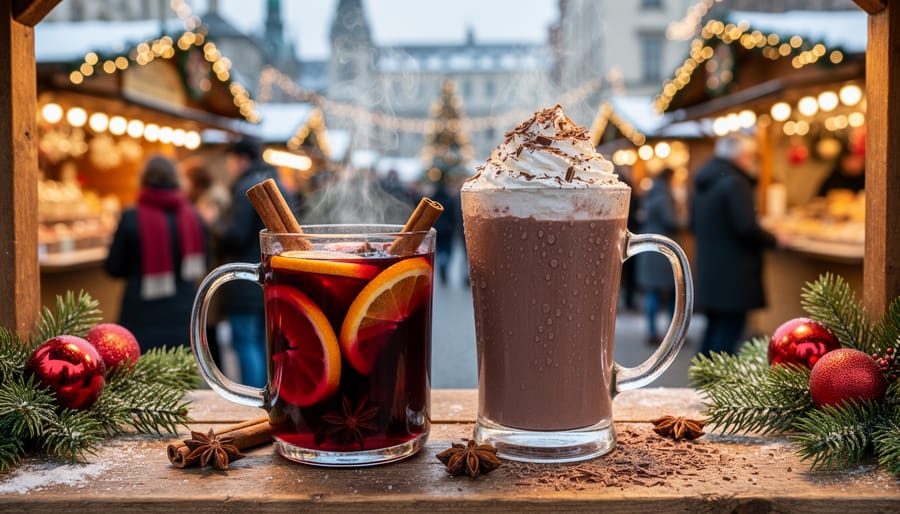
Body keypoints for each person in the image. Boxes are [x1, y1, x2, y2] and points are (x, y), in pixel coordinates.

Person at [104, 155, 206, 352]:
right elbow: (204, 261)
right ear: (177, 179)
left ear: (143, 179)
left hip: (141, 314)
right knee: (182, 377)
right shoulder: (192, 215)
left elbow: (113, 267)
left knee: (139, 375)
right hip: (183, 312)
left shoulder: (131, 217)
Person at [690, 133, 779, 356]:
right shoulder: (735, 182)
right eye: (751, 156)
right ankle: (716, 387)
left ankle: (703, 384)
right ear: (742, 156)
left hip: (710, 271)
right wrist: (774, 239)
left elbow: (691, 224)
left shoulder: (704, 181)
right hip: (734, 275)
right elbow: (747, 226)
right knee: (727, 336)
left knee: (713, 332)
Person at [209, 138, 288, 388]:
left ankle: (254, 396)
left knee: (245, 340)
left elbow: (236, 235)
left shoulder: (247, 189)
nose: (231, 166)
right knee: (268, 341)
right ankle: (274, 389)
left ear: (242, 159)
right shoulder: (279, 184)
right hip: (275, 276)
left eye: (232, 160)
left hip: (246, 279)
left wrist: (212, 223)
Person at [635, 167, 678, 345]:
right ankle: (671, 334)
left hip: (649, 247)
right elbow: (670, 220)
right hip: (662, 248)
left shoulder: (651, 193)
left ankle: (652, 331)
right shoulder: (664, 195)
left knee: (653, 292)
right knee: (670, 291)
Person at [430, 173, 461, 286]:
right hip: (448, 230)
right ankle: (444, 266)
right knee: (447, 251)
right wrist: (453, 226)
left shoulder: (432, 199)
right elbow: (453, 215)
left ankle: (441, 267)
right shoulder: (450, 199)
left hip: (436, 229)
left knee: (439, 250)